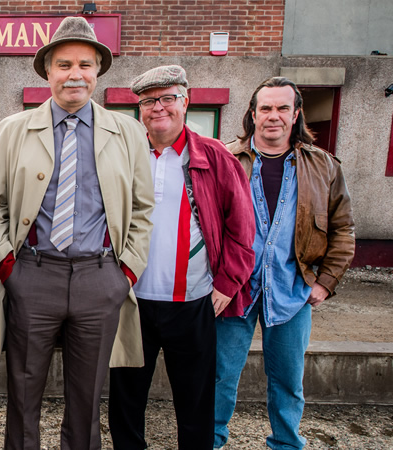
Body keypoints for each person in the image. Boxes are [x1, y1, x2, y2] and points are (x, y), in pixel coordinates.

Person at [0, 16, 154, 450]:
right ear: (47, 71)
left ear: (97, 72)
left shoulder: (128, 133)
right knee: (22, 394)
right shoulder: (13, 131)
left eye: (85, 65)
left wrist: (124, 275)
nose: (75, 74)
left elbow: (143, 212)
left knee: (87, 398)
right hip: (33, 276)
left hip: (100, 279)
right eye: (64, 64)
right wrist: (8, 270)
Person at [106, 65, 255, 449]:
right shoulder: (124, 153)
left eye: (168, 98)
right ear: (140, 109)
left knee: (195, 401)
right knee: (126, 399)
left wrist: (228, 283)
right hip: (132, 302)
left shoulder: (216, 156)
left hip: (191, 301)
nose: (159, 107)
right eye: (149, 100)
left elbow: (242, 229)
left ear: (185, 102)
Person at [215, 77, 355, 449]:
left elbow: (343, 229)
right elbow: (206, 225)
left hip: (293, 289)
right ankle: (210, 440)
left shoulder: (323, 166)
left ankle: (286, 443)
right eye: (265, 108)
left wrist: (325, 282)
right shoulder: (227, 159)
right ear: (253, 114)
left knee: (288, 379)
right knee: (219, 375)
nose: (273, 116)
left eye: (282, 108)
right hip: (235, 289)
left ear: (295, 114)